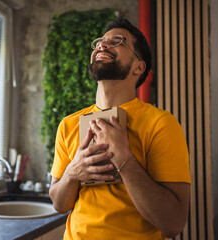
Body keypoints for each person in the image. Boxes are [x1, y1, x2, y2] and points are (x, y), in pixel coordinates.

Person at [48, 17, 191, 240]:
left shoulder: (160, 124)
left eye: (118, 41)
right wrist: (72, 172)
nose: (102, 45)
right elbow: (59, 203)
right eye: (99, 43)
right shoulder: (68, 124)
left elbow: (173, 224)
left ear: (139, 67)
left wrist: (123, 157)